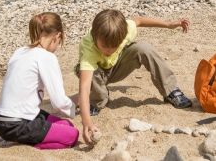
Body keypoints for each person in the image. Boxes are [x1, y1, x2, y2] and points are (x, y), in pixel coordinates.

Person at [75, 9, 192, 144]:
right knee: (84, 71)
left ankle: (171, 90)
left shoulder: (123, 30)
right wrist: (87, 121)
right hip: (97, 74)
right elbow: (84, 87)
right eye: (105, 46)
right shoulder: (88, 47)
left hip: (117, 67)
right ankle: (98, 99)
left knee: (144, 47)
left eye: (115, 46)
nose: (109, 50)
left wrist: (169, 25)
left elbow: (138, 20)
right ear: (95, 37)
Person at [0, 12, 79, 150]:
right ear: (57, 35)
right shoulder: (46, 57)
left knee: (67, 125)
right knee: (73, 135)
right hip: (16, 123)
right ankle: (22, 142)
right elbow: (58, 102)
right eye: (59, 41)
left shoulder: (20, 51)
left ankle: (13, 137)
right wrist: (75, 102)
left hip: (1, 121)